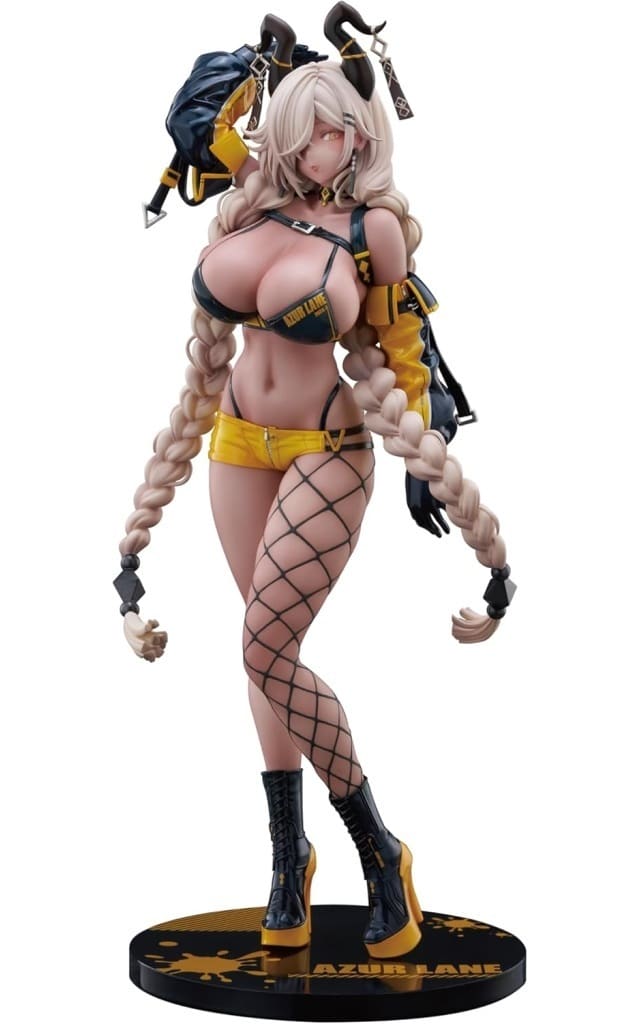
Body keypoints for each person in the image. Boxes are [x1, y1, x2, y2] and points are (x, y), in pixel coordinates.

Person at [115, 4, 515, 961]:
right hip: (235, 443)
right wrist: (253, 71)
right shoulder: (254, 195)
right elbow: (201, 127)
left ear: (358, 135)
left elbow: (403, 346)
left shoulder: (376, 229)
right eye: (293, 133)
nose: (304, 151)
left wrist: (424, 447)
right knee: (269, 654)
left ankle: (379, 850)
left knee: (263, 649)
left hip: (325, 449)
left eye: (324, 133)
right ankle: (286, 861)